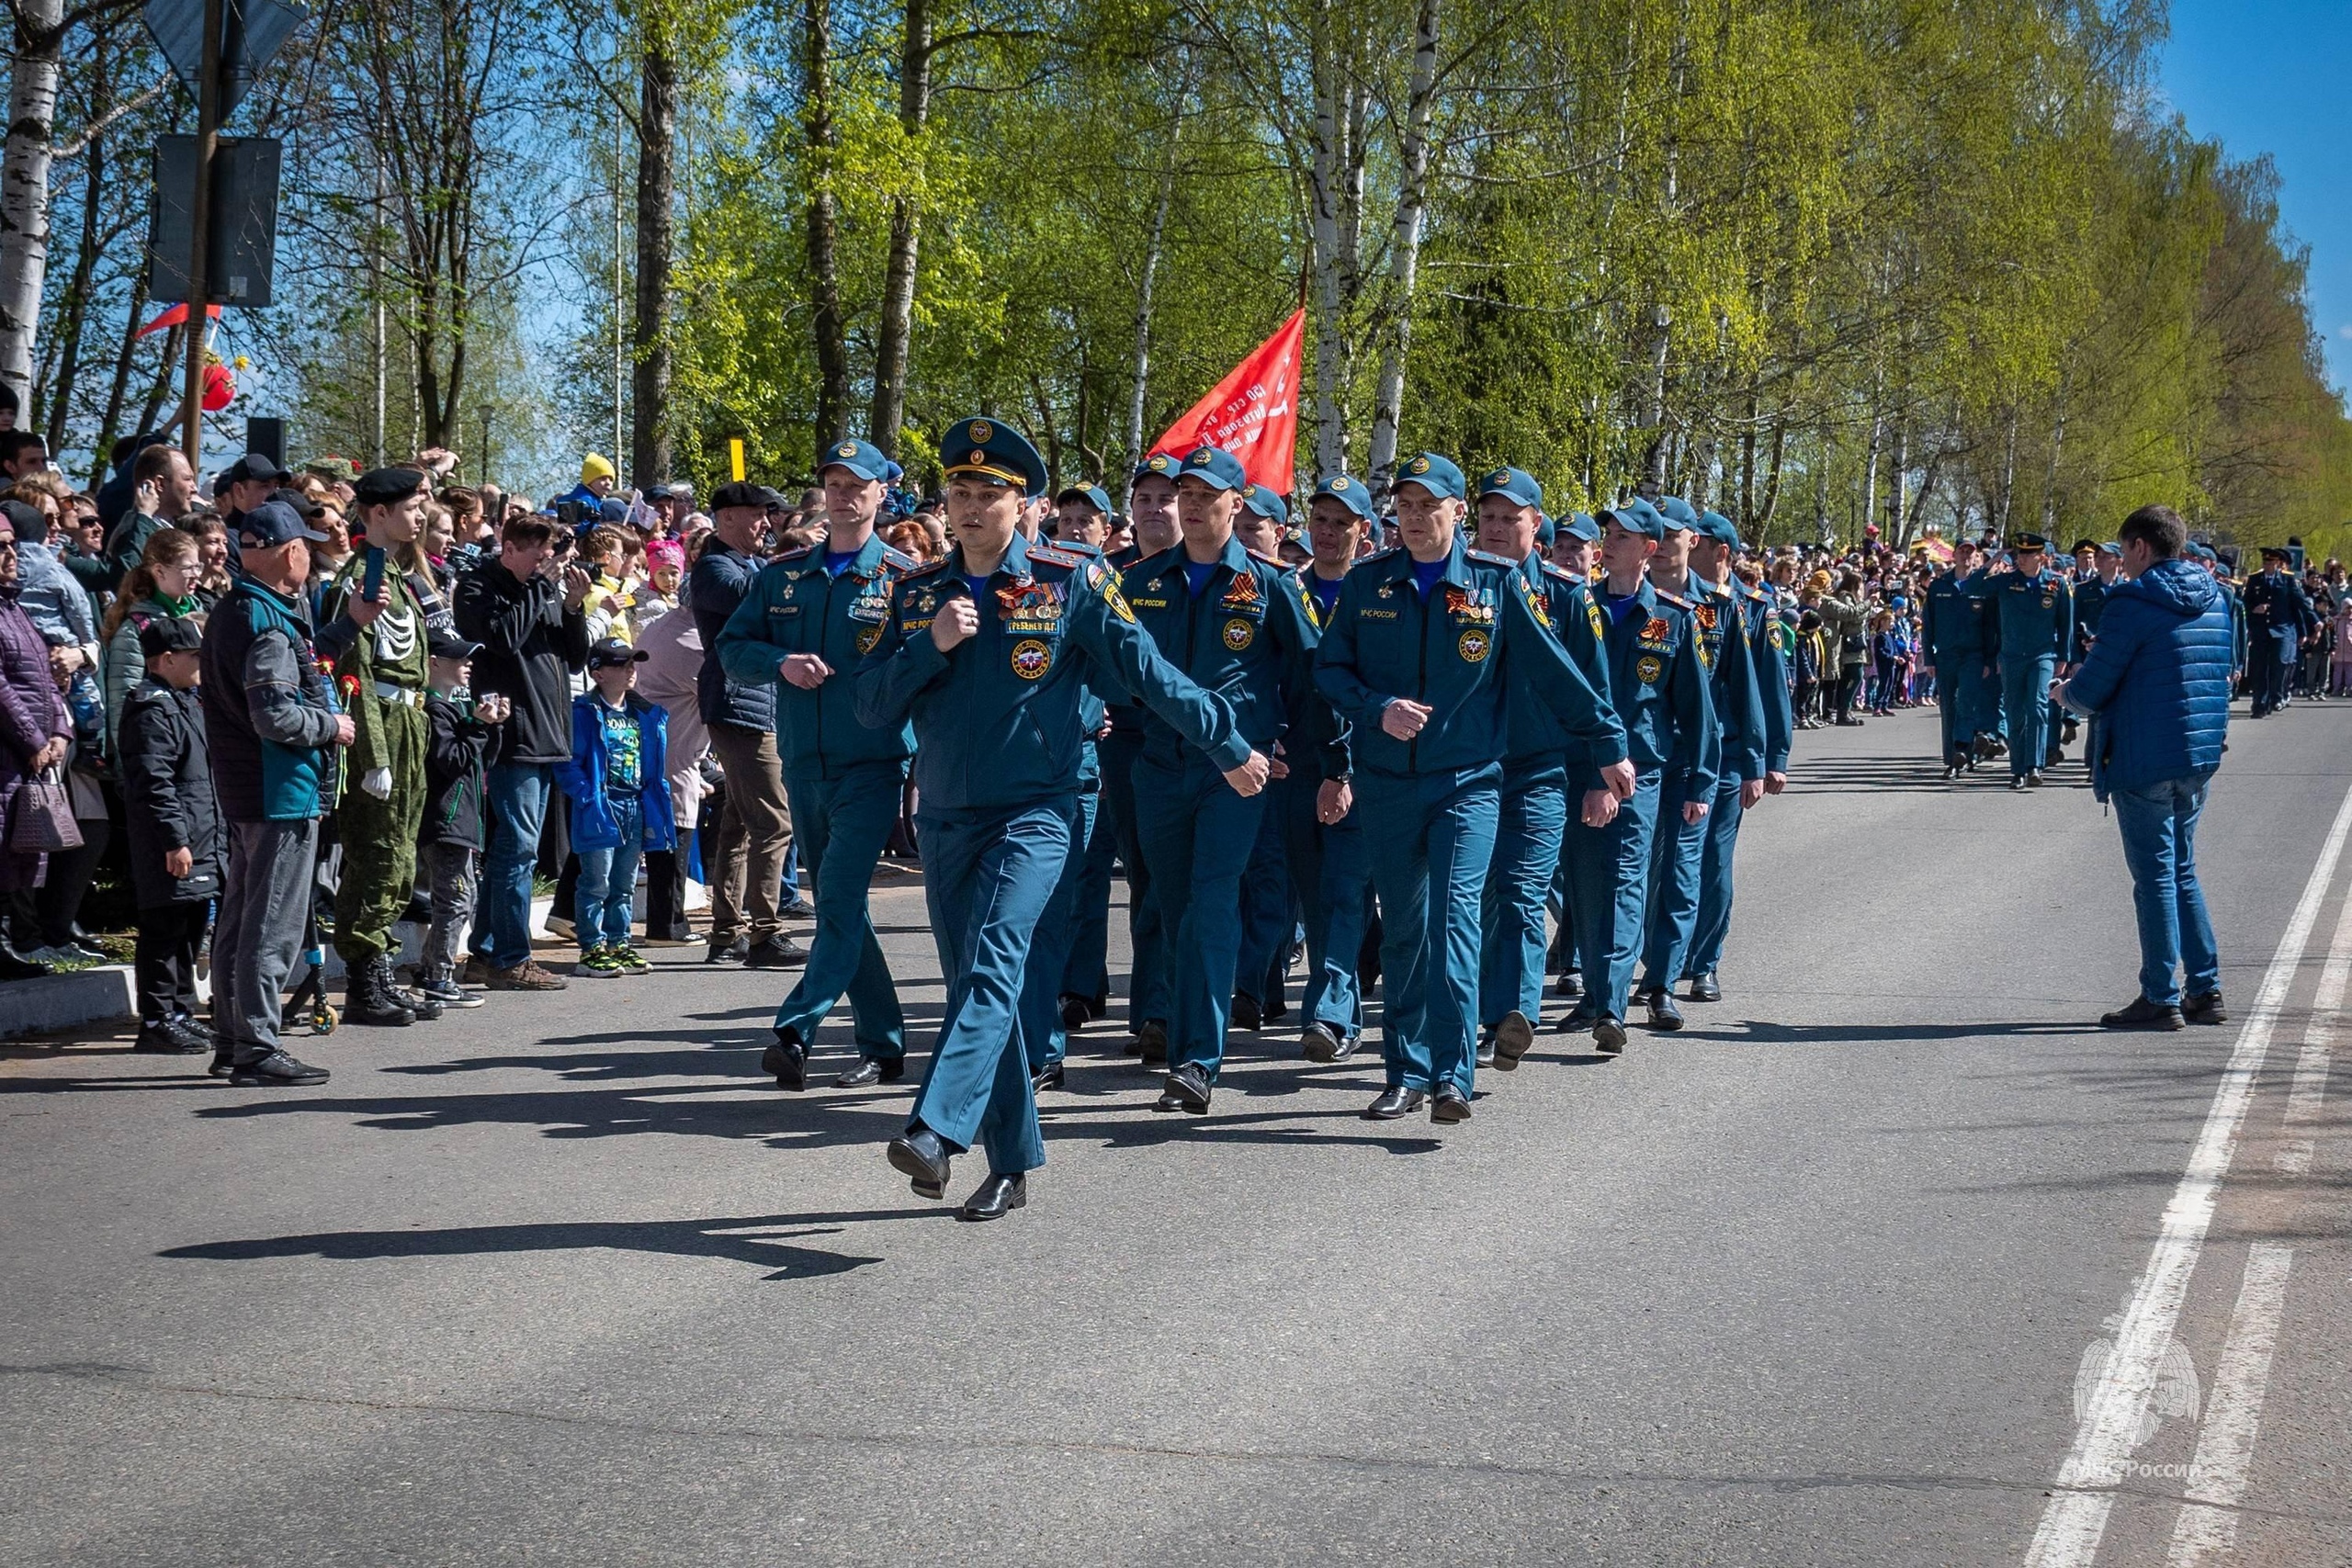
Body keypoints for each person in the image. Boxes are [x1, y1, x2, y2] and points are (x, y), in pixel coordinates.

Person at [854, 416, 1266, 1221]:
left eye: (990, 494)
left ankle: (938, 1128)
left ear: (1026, 504)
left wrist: (1227, 742)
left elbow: (1147, 672)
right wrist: (926, 649)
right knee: (980, 982)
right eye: (959, 492)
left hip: (1038, 810)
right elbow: (870, 706)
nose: (971, 508)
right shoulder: (914, 595)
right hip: (945, 819)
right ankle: (1013, 1156)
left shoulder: (1068, 579)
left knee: (995, 965)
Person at [1314, 453, 1630, 1120]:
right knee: (1404, 932)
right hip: (1389, 783)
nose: (1417, 519)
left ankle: (1453, 1075)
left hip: (1468, 784)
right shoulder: (1369, 584)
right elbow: (1330, 672)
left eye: (1430, 506)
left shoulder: (1496, 583)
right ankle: (1405, 1069)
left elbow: (1558, 672)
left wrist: (1607, 746)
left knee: (1456, 919)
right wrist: (1378, 710)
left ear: (1457, 513)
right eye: (1405, 507)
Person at [1118, 446, 1325, 1116]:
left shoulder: (1271, 586)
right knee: (1174, 907)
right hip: (1158, 766)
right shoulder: (1143, 581)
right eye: (1186, 492)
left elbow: (1307, 681)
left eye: (1210, 494)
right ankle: (1185, 1037)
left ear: (1238, 504)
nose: (1194, 504)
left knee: (1211, 903)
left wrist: (1312, 753)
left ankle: (1198, 1060)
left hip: (1234, 772)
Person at [716, 438, 922, 1089]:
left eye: (857, 483)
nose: (843, 493)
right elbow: (732, 646)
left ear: (881, 493)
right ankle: (885, 1042)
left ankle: (794, 1027)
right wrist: (781, 662)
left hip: (872, 763)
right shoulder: (783, 573)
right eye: (833, 482)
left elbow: (928, 667)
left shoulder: (903, 577)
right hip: (803, 762)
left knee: (836, 896)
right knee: (843, 907)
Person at [2054, 504, 2231, 1030]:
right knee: (2183, 870)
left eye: (2123, 549)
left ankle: (2160, 994)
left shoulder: (2131, 600)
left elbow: (2091, 691)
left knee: (2154, 877)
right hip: (2197, 752)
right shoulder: (2216, 598)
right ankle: (2205, 987)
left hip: (2143, 753)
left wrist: (2064, 691)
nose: (2122, 561)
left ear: (2139, 547)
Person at [201, 501, 354, 1085]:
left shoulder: (237, 610)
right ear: (290, 552)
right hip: (278, 789)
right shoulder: (265, 619)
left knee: (240, 920)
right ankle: (257, 1048)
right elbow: (274, 716)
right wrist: (332, 727)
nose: (311, 556)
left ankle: (233, 1040)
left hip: (250, 789)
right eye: (306, 547)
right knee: (271, 924)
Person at [1556, 499, 1715, 1053]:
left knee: (1626, 883)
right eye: (1608, 534)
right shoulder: (1578, 606)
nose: (1610, 543)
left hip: (1639, 773)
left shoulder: (1673, 617)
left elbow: (1697, 712)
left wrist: (1698, 783)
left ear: (1649, 549)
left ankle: (1613, 1005)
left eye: (1623, 537)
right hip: (1577, 766)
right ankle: (1599, 993)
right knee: (1584, 887)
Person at [1471, 470, 1606, 1069]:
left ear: (1537, 528)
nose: (1498, 529)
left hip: (1540, 772)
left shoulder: (1566, 597)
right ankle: (1479, 1010)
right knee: (1475, 899)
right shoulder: (1460, 588)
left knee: (1524, 893)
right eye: (1489, 517)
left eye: (1511, 519)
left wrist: (1602, 774)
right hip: (1469, 771)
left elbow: (1593, 691)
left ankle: (1515, 1014)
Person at [314, 468, 445, 1026]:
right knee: (377, 854)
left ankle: (381, 969)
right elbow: (356, 672)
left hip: (408, 720)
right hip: (381, 725)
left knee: (401, 853)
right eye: (412, 507)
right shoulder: (363, 578)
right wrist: (375, 756)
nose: (420, 517)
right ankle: (365, 981)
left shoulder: (398, 574)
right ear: (379, 513)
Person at [1634, 498, 1762, 1032]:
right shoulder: (1621, 599)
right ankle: (1619, 976)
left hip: (1698, 757)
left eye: (1673, 533)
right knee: (1635, 870)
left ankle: (1666, 979)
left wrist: (1757, 758)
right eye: (1654, 532)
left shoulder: (1721, 608)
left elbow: (1746, 686)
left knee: (1687, 870)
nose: (1661, 542)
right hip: (1641, 753)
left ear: (1694, 540)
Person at [453, 512, 593, 990]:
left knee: (513, 849)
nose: (544, 564)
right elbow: (503, 639)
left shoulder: (544, 588)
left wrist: (573, 606)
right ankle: (510, 958)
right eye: (536, 555)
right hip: (509, 734)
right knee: (517, 848)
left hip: (548, 729)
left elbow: (574, 657)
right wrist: (539, 588)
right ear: (509, 548)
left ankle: (486, 952)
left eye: (547, 556)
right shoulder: (477, 587)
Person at [688, 481, 803, 968]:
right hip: (739, 703)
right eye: (757, 515)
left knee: (739, 822)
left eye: (767, 514)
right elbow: (755, 598)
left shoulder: (752, 563)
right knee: (774, 821)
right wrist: (797, 564)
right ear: (726, 518)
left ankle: (728, 931)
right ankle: (765, 932)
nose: (765, 523)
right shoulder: (715, 567)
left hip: (755, 701)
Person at [1678, 511, 1792, 1002]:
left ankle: (1705, 963)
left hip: (1725, 753)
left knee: (1713, 860)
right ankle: (1665, 958)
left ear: (1720, 552)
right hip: (1676, 750)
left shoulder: (1753, 610)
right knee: (1671, 861)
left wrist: (1769, 760)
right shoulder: (1671, 598)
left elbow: (1768, 690)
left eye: (1696, 542)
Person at [1289, 474, 1377, 1062]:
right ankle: (1341, 1002)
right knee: (1316, 896)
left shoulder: (1377, 597)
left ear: (1363, 533)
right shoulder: (1283, 592)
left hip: (1362, 768)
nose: (1327, 532)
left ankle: (1329, 1010)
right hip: (1293, 768)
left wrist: (1343, 771)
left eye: (1341, 522)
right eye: (1320, 519)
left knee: (1346, 891)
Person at [115, 616, 220, 1053]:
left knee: (190, 923)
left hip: (198, 835)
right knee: (164, 928)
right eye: (194, 655)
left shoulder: (184, 701)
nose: (200, 663)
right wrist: (174, 840)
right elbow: (153, 782)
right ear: (167, 659)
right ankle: (157, 1019)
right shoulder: (150, 707)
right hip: (173, 841)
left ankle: (179, 1009)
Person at [556, 638, 673, 976]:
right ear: (598, 674)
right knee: (596, 881)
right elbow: (567, 763)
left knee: (624, 883)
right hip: (601, 805)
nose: (630, 670)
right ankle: (592, 947)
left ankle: (619, 944)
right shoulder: (584, 712)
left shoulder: (643, 714)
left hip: (634, 804)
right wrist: (586, 796)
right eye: (621, 664)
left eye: (632, 664)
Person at [0, 505, 73, 979]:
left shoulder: (14, 606)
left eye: (10, 545)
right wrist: (32, 739)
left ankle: (6, 941)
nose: (10, 555)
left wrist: (61, 731)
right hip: (8, 753)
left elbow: (44, 678)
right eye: (0, 548)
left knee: (14, 855)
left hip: (30, 754)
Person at [416, 629, 503, 1008]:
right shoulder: (434, 710)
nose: (468, 665)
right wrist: (478, 727)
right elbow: (449, 761)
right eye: (459, 658)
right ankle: (438, 975)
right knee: (453, 899)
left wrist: (491, 726)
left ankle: (431, 970)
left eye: (468, 658)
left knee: (462, 899)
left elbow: (479, 759)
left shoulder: (452, 710)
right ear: (434, 662)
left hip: (462, 820)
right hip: (445, 821)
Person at [1992, 531, 2074, 788]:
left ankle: (2034, 766)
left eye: (2028, 553)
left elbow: (2066, 623)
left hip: (2043, 655)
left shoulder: (2056, 584)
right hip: (2012, 656)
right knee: (2016, 714)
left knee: (2038, 708)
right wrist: (1994, 559)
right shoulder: (2006, 581)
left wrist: (2064, 656)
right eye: (2019, 553)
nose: (2021, 558)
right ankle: (2017, 770)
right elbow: (1973, 587)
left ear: (2041, 556)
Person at [2241, 544, 2314, 718]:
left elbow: (2300, 604)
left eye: (2271, 562)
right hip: (2261, 631)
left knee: (2280, 664)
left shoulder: (2287, 580)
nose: (2267, 565)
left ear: (2278, 563)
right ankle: (2259, 703)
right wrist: (2254, 609)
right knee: (2259, 668)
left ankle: (2276, 695)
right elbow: (2246, 601)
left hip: (2281, 630)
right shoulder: (2255, 579)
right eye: (2265, 562)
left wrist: (2315, 621)